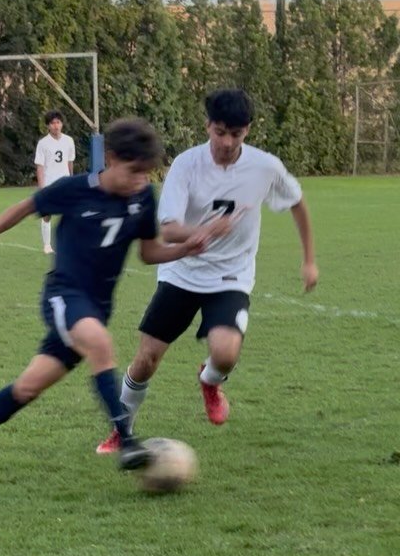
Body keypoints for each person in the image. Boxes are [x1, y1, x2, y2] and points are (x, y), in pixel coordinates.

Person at [0, 118, 208, 477]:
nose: (140, 180)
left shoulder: (141, 198)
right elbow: (25, 207)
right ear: (109, 157)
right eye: (133, 171)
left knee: (27, 388)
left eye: (147, 173)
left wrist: (186, 248)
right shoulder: (75, 190)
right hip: (63, 297)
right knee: (100, 343)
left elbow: (149, 253)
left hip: (97, 308)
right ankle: (127, 440)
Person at [96, 89, 320, 454]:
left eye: (237, 134)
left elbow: (297, 203)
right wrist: (202, 232)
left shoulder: (265, 167)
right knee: (147, 358)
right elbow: (167, 227)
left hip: (231, 275)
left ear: (248, 130)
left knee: (226, 351)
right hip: (181, 272)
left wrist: (309, 259)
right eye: (220, 132)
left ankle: (210, 381)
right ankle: (122, 429)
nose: (227, 142)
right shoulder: (187, 164)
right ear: (207, 126)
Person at [34, 110, 75, 254]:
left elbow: (70, 162)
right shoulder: (43, 143)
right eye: (53, 123)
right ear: (48, 126)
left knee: (70, 213)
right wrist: (41, 186)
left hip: (64, 181)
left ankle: (69, 243)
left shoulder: (69, 141)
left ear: (62, 124)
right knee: (47, 214)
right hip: (49, 182)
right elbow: (40, 166)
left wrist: (72, 179)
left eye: (58, 122)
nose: (56, 126)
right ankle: (47, 245)